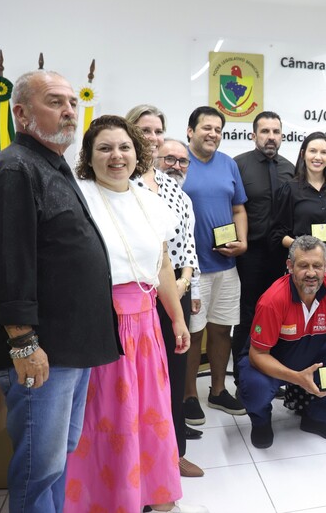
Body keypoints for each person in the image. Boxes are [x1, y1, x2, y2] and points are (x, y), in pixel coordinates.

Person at [0, 70, 120, 512]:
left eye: (72, 101)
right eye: (55, 101)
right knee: (37, 464)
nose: (69, 110)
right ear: (21, 112)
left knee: (57, 456)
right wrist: (23, 342)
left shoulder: (50, 164)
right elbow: (9, 263)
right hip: (41, 351)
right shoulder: (14, 168)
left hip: (70, 346)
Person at [64, 115, 205, 513]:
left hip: (146, 324)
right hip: (101, 325)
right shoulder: (80, 197)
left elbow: (162, 264)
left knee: (149, 414)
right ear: (88, 156)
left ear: (137, 152)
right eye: (104, 148)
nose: (116, 156)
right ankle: (110, 499)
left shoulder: (149, 199)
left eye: (124, 147)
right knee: (110, 419)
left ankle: (153, 493)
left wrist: (176, 319)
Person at [127, 106, 204, 478]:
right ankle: (141, 461)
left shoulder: (171, 185)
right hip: (139, 294)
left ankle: (174, 454)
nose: (153, 137)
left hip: (178, 289)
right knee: (142, 380)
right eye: (144, 130)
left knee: (174, 373)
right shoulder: (122, 185)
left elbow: (187, 243)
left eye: (158, 130)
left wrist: (186, 283)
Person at [237, 236, 326, 448]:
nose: (311, 273)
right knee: (254, 388)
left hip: (312, 355)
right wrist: (296, 378)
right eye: (303, 265)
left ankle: (317, 417)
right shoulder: (273, 300)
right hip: (268, 361)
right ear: (290, 266)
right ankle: (261, 421)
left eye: (317, 266)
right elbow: (257, 354)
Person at [271, 131, 326, 412]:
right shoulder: (290, 189)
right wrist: (303, 247)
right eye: (313, 151)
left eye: (324, 152)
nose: (318, 157)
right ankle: (302, 394)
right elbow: (277, 234)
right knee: (306, 330)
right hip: (303, 268)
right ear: (303, 154)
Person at [182, 106, 248, 426]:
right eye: (206, 128)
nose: (213, 134)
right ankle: (189, 395)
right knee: (193, 334)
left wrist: (243, 242)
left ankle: (218, 390)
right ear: (190, 131)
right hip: (191, 268)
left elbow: (238, 208)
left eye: (218, 130)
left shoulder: (228, 164)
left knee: (222, 330)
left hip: (226, 265)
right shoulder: (178, 163)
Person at [233, 111, 295, 386]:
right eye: (265, 131)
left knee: (281, 315)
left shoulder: (290, 168)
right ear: (254, 135)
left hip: (283, 254)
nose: (271, 137)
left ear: (282, 136)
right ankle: (242, 377)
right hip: (251, 254)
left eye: (276, 132)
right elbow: (233, 210)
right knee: (248, 315)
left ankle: (275, 375)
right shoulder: (239, 165)